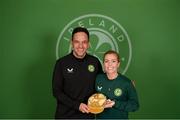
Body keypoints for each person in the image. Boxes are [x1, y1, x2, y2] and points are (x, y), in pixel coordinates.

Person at [52, 27, 102, 119]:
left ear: (88, 44)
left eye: (84, 42)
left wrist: (124, 84)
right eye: (77, 42)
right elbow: (56, 91)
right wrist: (77, 105)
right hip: (65, 116)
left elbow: (103, 83)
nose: (80, 46)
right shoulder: (61, 63)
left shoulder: (95, 62)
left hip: (87, 115)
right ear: (71, 43)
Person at [95, 50, 139, 119]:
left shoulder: (126, 83)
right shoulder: (98, 78)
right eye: (106, 61)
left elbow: (135, 105)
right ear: (103, 63)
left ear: (118, 64)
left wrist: (115, 103)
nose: (110, 64)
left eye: (113, 61)